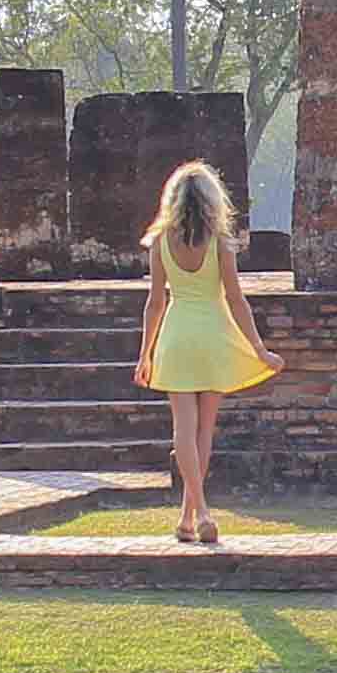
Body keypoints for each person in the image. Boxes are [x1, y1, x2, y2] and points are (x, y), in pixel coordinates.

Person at [134, 159, 278, 544]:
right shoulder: (219, 242)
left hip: (177, 335)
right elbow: (235, 300)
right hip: (214, 335)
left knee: (183, 428)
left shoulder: (161, 242)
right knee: (204, 430)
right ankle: (202, 513)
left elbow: (154, 304)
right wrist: (259, 349)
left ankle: (190, 516)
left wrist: (145, 353)